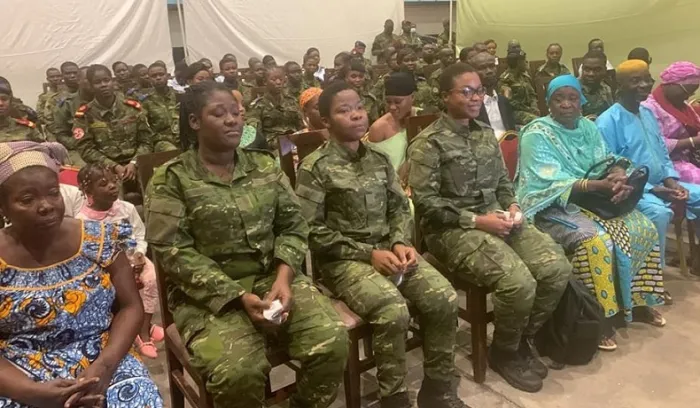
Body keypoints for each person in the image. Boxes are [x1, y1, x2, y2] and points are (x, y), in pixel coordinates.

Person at [145, 81, 348, 408]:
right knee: (239, 372)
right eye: (219, 114)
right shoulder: (171, 179)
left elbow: (294, 225)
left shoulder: (264, 165)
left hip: (271, 278)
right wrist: (237, 295)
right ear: (195, 121)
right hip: (206, 297)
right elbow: (173, 253)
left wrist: (284, 278)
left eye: (237, 113)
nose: (232, 120)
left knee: (332, 340)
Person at [296, 81, 466, 408]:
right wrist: (368, 253)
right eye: (344, 111)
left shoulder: (378, 158)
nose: (356, 115)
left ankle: (438, 388)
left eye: (359, 107)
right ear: (326, 121)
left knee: (444, 297)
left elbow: (400, 207)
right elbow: (310, 230)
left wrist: (401, 240)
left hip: (390, 251)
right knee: (392, 310)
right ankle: (394, 397)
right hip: (344, 261)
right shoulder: (314, 167)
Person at [408, 63, 571, 393]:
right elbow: (426, 203)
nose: (475, 97)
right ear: (445, 97)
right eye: (466, 91)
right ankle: (504, 353)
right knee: (518, 282)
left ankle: (521, 338)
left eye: (479, 91)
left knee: (556, 268)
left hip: (496, 217)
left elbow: (502, 183)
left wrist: (513, 207)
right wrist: (478, 221)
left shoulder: (484, 133)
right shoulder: (429, 143)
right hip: (451, 230)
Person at [0, 141, 163, 407]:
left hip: (103, 354)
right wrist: (32, 392)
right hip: (18, 369)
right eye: (27, 200)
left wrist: (104, 368)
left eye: (53, 193)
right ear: (3, 207)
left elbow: (131, 306)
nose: (46, 205)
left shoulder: (100, 239)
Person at [517, 75, 666, 350]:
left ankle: (637, 301)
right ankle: (597, 317)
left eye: (572, 98)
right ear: (548, 102)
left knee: (643, 227)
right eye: (558, 99)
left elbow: (607, 159)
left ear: (581, 101)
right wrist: (598, 185)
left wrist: (617, 173)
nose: (566, 104)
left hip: (593, 199)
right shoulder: (536, 134)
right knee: (595, 241)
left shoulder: (587, 127)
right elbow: (545, 181)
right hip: (551, 205)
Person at [597, 60, 700, 269]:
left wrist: (672, 183)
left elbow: (662, 152)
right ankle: (654, 277)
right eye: (636, 81)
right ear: (620, 84)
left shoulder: (648, 113)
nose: (644, 85)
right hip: (634, 189)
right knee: (659, 214)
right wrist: (654, 189)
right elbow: (610, 167)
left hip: (662, 183)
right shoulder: (608, 121)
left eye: (647, 79)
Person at [75, 163, 165, 359]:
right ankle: (137, 332)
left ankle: (144, 329)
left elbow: (140, 234)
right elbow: (88, 253)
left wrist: (139, 254)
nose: (112, 186)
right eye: (103, 184)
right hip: (107, 267)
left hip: (134, 258)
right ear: (88, 191)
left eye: (114, 181)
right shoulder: (82, 220)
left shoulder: (127, 208)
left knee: (150, 278)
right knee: (120, 288)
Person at [74, 64, 153, 198]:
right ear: (91, 86)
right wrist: (114, 166)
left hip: (137, 163)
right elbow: (86, 149)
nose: (103, 85)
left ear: (113, 81)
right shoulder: (84, 115)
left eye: (106, 80)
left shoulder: (132, 108)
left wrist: (133, 163)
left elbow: (146, 141)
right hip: (105, 168)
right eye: (98, 82)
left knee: (155, 192)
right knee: (112, 197)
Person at [643, 61, 700, 183]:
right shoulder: (648, 108)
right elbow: (656, 145)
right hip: (669, 162)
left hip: (690, 155)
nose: (688, 97)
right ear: (671, 84)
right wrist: (693, 141)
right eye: (686, 91)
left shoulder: (682, 105)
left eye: (692, 92)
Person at [367, 72, 421, 187]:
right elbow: (375, 170)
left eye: (397, 102)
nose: (392, 107)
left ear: (412, 97)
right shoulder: (379, 128)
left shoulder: (422, 118)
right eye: (388, 102)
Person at [246, 66, 304, 153]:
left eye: (281, 79)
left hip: (295, 142)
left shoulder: (291, 101)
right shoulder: (258, 105)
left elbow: (301, 126)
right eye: (273, 79)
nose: (278, 82)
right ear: (265, 82)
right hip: (272, 147)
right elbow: (256, 134)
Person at [52, 66, 93, 167]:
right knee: (86, 170)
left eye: (95, 79)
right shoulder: (67, 104)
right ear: (78, 81)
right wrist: (78, 143)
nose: (92, 82)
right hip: (77, 149)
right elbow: (61, 133)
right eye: (88, 79)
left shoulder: (105, 100)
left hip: (106, 146)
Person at [472, 52, 517, 140]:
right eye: (482, 68)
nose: (489, 71)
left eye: (492, 66)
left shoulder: (503, 101)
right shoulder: (472, 104)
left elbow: (512, 133)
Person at [141, 62, 180, 152]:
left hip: (183, 137)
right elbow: (145, 128)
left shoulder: (179, 96)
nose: (158, 78)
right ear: (149, 79)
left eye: (161, 74)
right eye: (154, 76)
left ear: (167, 76)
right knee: (171, 151)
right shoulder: (146, 101)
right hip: (161, 141)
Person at [500, 50, 540, 126]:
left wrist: (534, 106)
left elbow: (532, 94)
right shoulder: (505, 80)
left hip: (528, 110)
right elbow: (508, 102)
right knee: (537, 121)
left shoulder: (524, 76)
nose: (526, 62)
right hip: (514, 112)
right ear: (518, 63)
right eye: (524, 61)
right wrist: (529, 109)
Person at [43, 62, 79, 142]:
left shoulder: (88, 94)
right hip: (67, 137)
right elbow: (50, 122)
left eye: (75, 73)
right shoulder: (55, 99)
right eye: (68, 73)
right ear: (62, 76)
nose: (72, 76)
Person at [396, 48, 436, 112]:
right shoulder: (394, 82)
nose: (410, 63)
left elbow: (432, 103)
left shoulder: (422, 81)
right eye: (406, 61)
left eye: (413, 60)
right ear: (399, 63)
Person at [580, 51, 614, 119]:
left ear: (605, 70)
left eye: (597, 70)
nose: (591, 74)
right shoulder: (573, 89)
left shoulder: (606, 88)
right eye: (587, 69)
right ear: (582, 69)